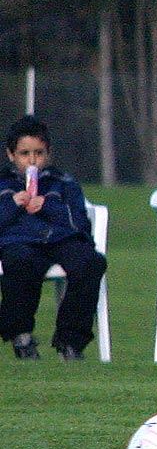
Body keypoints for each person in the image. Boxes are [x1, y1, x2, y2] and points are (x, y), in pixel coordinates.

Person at [0, 115, 107, 361]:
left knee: (90, 263)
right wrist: (12, 204)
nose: (32, 160)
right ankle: (21, 335)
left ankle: (71, 341)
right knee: (20, 262)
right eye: (24, 154)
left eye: (38, 153)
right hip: (19, 241)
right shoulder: (3, 184)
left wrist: (47, 205)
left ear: (48, 153)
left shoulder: (63, 182)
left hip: (61, 240)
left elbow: (79, 222)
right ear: (11, 155)